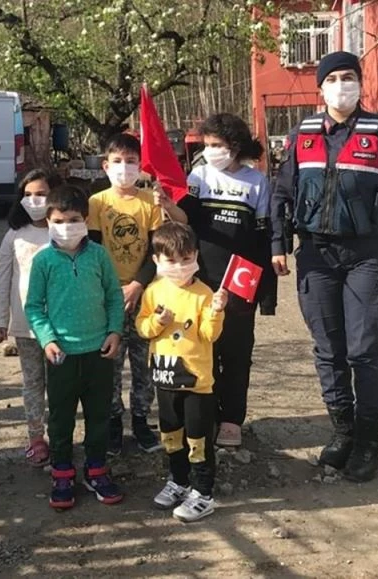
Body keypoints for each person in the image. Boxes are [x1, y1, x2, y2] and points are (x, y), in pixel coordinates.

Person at [270, 51, 378, 482]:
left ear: (360, 83)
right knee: (327, 349)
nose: (341, 86)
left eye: (348, 77)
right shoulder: (301, 135)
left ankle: (368, 440)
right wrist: (278, 244)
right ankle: (343, 431)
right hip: (316, 254)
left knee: (363, 349)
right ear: (320, 88)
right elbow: (281, 194)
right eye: (332, 79)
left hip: (368, 254)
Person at [156, 113, 277, 447]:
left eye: (217, 144)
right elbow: (186, 220)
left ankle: (231, 420)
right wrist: (168, 205)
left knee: (236, 354)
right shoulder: (198, 175)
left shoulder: (257, 182)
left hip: (240, 281)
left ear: (235, 146)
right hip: (201, 279)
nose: (210, 150)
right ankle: (204, 414)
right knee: (202, 349)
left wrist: (266, 292)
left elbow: (263, 236)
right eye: (206, 144)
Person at [24, 184, 125, 510]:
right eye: (58, 220)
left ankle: (96, 469)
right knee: (61, 418)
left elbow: (114, 296)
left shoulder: (99, 255)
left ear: (86, 220)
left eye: (73, 220)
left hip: (99, 352)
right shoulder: (44, 261)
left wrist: (115, 331)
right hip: (62, 355)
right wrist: (47, 339)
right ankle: (62, 472)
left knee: (99, 415)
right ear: (48, 222)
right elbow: (34, 306)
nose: (66, 226)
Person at [135, 222, 226, 521]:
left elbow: (209, 334)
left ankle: (203, 493)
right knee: (171, 435)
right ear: (156, 260)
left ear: (196, 256)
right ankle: (178, 481)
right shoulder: (153, 291)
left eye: (186, 259)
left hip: (197, 383)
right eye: (171, 260)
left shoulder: (204, 293)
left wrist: (216, 311)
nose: (179, 266)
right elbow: (142, 327)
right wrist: (158, 322)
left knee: (198, 439)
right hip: (165, 378)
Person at [87, 133, 164, 456]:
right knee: (111, 362)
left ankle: (142, 420)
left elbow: (158, 251)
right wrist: (112, 289)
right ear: (105, 165)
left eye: (131, 161)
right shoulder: (97, 203)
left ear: (140, 165)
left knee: (144, 363)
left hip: (145, 294)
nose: (124, 167)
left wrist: (137, 284)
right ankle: (114, 421)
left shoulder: (150, 203)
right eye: (117, 161)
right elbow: (93, 248)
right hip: (109, 298)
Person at [0, 168, 61, 467]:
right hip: (26, 327)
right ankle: (36, 438)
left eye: (42, 194)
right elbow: (2, 278)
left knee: (60, 386)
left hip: (62, 327)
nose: (35, 200)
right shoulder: (14, 236)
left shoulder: (64, 231)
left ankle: (60, 435)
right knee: (33, 383)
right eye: (28, 194)